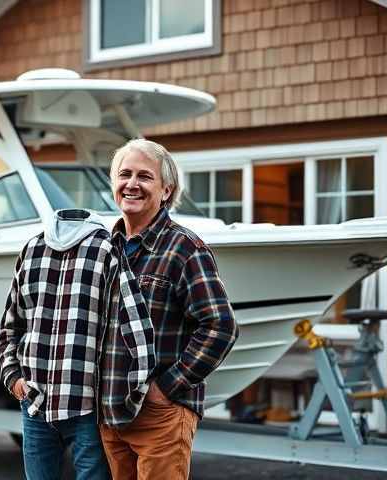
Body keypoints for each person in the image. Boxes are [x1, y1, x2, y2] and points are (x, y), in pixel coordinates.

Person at [99, 139, 238, 480]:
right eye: (124, 174)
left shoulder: (185, 248)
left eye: (144, 176)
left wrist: (167, 388)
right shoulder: (103, 248)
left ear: (166, 191)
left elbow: (220, 326)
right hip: (110, 416)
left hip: (159, 415)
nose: (132, 184)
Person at [0, 208, 155, 480]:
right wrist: (13, 379)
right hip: (37, 404)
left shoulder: (106, 250)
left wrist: (125, 399)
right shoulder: (33, 248)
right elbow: (11, 325)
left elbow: (136, 329)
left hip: (88, 410)